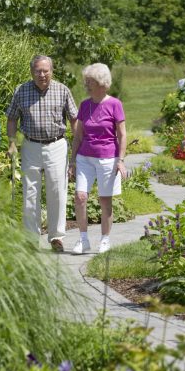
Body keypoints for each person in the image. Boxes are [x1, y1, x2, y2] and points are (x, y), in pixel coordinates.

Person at [6, 55, 78, 252]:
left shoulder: (62, 90)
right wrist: (12, 143)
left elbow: (74, 118)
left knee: (57, 191)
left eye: (45, 70)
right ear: (32, 72)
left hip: (57, 145)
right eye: (38, 70)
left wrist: (78, 144)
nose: (42, 74)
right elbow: (11, 118)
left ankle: (56, 237)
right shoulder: (21, 91)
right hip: (31, 145)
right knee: (30, 193)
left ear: (52, 71)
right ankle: (30, 239)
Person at [68, 63, 127, 254]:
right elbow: (78, 135)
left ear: (102, 82)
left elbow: (122, 135)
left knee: (104, 200)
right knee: (80, 196)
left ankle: (105, 239)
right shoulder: (85, 105)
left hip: (107, 158)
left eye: (90, 81)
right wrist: (72, 161)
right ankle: (83, 240)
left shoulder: (115, 104)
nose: (86, 84)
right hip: (85, 157)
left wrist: (121, 160)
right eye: (86, 80)